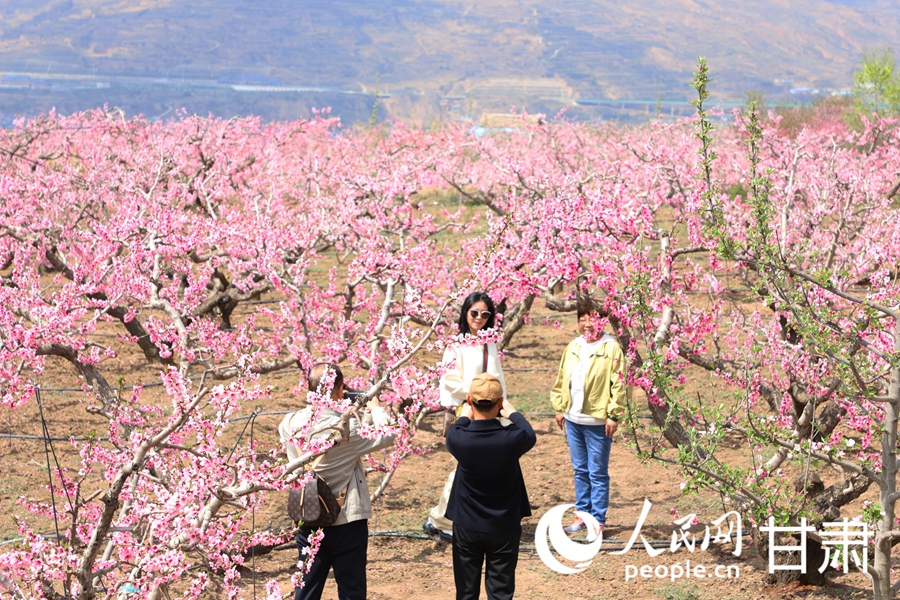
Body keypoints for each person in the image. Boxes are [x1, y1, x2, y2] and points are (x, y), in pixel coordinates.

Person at [279, 363, 395, 600]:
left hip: (308, 513)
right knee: (351, 590)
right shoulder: (348, 429)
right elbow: (388, 434)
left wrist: (339, 402)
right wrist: (374, 408)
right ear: (340, 388)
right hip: (345, 520)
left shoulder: (289, 423)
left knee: (307, 587)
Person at [423, 292, 507, 543]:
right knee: (465, 468)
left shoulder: (489, 343)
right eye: (474, 313)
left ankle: (449, 517)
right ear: (465, 313)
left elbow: (499, 378)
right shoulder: (456, 344)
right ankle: (443, 520)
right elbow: (449, 380)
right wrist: (476, 394)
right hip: (469, 411)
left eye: (485, 314)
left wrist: (504, 407)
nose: (479, 319)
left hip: (492, 412)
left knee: (482, 469)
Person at [445, 373, 535, 600]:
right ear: (500, 402)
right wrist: (512, 412)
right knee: (501, 591)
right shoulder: (512, 438)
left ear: (469, 401)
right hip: (504, 524)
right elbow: (529, 433)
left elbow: (455, 430)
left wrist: (465, 417)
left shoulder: (459, 439)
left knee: (466, 591)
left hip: (467, 524)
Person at [549, 303, 627, 541]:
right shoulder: (574, 345)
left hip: (597, 420)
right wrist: (560, 408)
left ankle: (598, 521)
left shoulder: (611, 348)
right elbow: (563, 377)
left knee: (597, 473)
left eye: (592, 318)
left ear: (602, 321)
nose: (587, 323)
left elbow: (619, 383)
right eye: (582, 319)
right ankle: (582, 516)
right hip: (573, 419)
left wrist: (613, 414)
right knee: (580, 470)